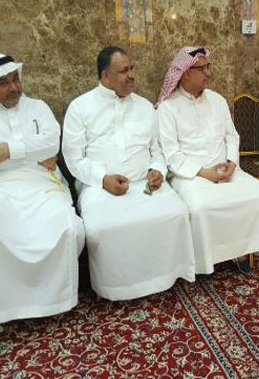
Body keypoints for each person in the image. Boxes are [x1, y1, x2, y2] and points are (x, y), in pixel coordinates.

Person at [0, 53, 85, 334]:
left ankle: (53, 299)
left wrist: (6, 150)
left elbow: (52, 143)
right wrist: (34, 153)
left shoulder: (38, 107)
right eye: (3, 82)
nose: (14, 87)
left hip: (39, 184)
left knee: (70, 229)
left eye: (15, 79)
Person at [62, 46, 195, 300]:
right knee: (101, 228)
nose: (132, 75)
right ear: (106, 76)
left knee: (177, 213)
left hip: (144, 184)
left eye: (132, 68)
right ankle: (115, 288)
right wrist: (102, 179)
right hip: (99, 186)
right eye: (124, 71)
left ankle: (164, 276)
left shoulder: (144, 107)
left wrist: (157, 170)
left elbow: (157, 150)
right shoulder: (80, 108)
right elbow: (73, 158)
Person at [156, 46, 259, 274]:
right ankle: (206, 259)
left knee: (258, 194)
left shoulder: (217, 100)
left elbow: (232, 136)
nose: (208, 73)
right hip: (190, 175)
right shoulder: (167, 108)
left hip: (226, 170)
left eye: (208, 66)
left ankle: (240, 249)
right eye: (202, 69)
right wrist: (205, 173)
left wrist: (232, 163)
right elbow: (171, 155)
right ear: (186, 73)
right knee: (201, 207)